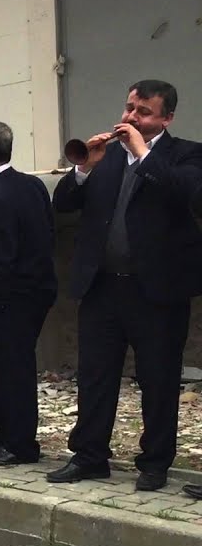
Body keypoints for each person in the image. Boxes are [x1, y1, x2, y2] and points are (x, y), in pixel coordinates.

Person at [47, 79, 202, 491]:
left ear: (166, 117)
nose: (131, 117)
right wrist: (84, 168)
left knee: (158, 379)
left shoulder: (185, 154)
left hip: (157, 291)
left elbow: (189, 194)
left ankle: (154, 464)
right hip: (103, 287)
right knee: (96, 376)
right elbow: (64, 204)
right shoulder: (108, 157)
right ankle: (90, 456)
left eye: (143, 112)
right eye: (130, 108)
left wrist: (142, 152)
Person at [0, 121, 57, 465]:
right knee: (6, 368)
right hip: (33, 293)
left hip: (9, 300)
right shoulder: (29, 185)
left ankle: (18, 444)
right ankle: (4, 438)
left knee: (11, 370)